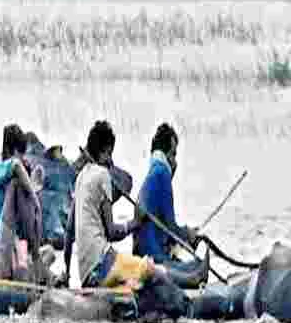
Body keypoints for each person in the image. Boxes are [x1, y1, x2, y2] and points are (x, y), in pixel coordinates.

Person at [71, 120, 156, 290]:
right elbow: (111, 232)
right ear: (106, 151)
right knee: (151, 268)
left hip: (86, 274)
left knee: (133, 280)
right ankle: (193, 277)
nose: (111, 160)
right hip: (101, 263)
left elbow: (69, 233)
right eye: (110, 154)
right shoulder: (103, 175)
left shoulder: (81, 176)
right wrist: (136, 222)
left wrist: (67, 273)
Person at [133, 123, 209, 289]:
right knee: (196, 266)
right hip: (153, 257)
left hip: (144, 254)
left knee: (190, 265)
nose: (175, 161)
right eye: (174, 154)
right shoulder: (162, 173)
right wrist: (188, 235)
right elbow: (171, 227)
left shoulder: (153, 172)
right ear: (166, 155)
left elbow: (163, 229)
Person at [0, 124, 43, 279]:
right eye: (21, 154)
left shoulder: (6, 178)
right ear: (12, 152)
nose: (23, 159)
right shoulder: (1, 170)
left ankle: (36, 265)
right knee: (18, 185)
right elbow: (15, 165)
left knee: (46, 254)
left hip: (4, 250)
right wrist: (33, 196)